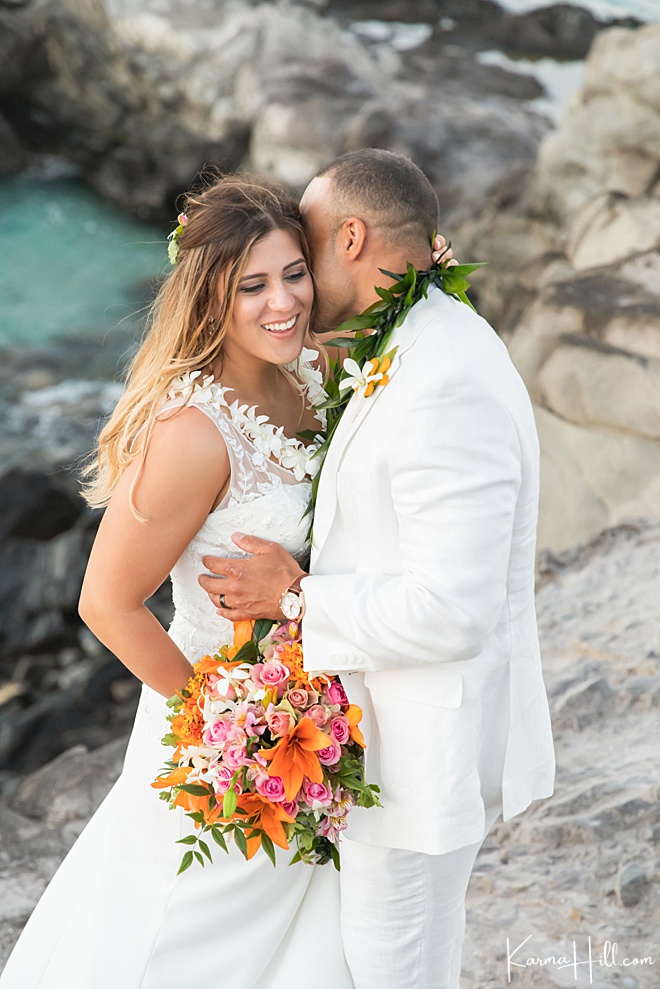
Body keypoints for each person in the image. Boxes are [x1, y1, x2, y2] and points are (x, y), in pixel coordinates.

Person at [198, 149, 557, 989]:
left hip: (419, 761)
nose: (297, 285)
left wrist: (294, 595)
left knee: (394, 970)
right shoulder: (411, 340)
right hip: (383, 743)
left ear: (351, 236)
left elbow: (452, 609)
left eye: (308, 253)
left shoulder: (444, 379)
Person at [0, 177, 355, 989]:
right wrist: (224, 726)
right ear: (211, 298)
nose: (284, 303)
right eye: (253, 286)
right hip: (225, 733)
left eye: (295, 273)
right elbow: (105, 601)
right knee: (177, 939)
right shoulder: (193, 432)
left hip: (312, 722)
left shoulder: (315, 372)